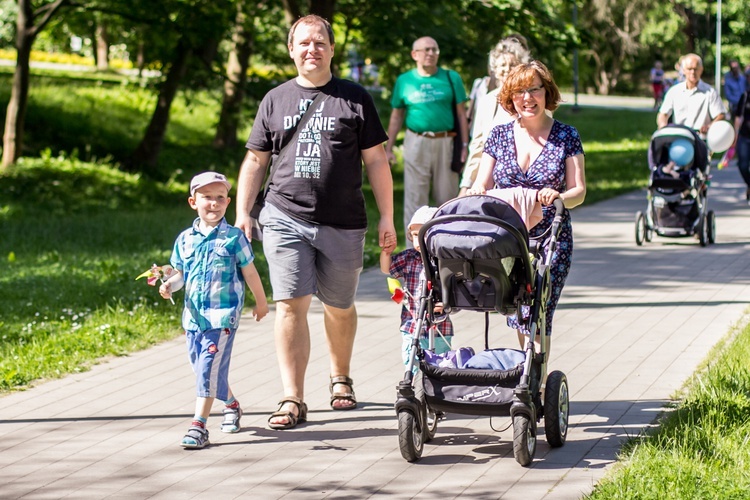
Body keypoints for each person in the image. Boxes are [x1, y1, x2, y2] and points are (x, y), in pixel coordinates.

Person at [233, 15, 396, 430]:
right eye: (303, 43)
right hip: (285, 215)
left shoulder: (355, 98)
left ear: (331, 49)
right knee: (290, 304)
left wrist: (388, 218)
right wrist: (242, 213)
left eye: (319, 42)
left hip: (343, 222)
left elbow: (376, 160)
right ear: (291, 50)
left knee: (339, 307)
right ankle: (292, 397)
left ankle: (340, 376)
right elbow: (256, 159)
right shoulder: (275, 99)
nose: (312, 49)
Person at [467, 60, 586, 358]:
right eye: (519, 91)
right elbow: (483, 183)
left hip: (551, 236)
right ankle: (528, 374)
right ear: (510, 97)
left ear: (547, 93)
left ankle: (537, 379)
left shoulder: (566, 136)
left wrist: (558, 195)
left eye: (535, 90)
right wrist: (476, 192)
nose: (527, 98)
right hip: (509, 236)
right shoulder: (499, 135)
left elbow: (579, 191)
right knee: (518, 309)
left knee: (538, 309)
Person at [159, 171, 269, 449]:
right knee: (205, 371)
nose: (214, 203)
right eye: (207, 197)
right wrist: (169, 285)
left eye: (220, 198)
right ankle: (231, 404)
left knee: (207, 368)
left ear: (228, 202)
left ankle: (199, 426)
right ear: (193, 202)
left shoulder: (234, 238)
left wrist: (261, 300)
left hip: (222, 316)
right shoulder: (185, 239)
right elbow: (180, 273)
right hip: (193, 318)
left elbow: (250, 272)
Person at [385, 36, 469, 245]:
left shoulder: (451, 78)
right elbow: (396, 116)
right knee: (415, 198)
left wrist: (466, 146)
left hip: (446, 141)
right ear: (415, 55)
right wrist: (388, 148)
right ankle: (413, 250)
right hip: (416, 141)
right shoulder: (405, 80)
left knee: (448, 197)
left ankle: (449, 247)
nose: (431, 53)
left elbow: (461, 114)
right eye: (426, 50)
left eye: (434, 49)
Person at [380, 206, 453, 367]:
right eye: (414, 235)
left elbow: (457, 292)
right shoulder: (409, 258)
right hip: (411, 326)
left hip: (441, 328)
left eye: (424, 235)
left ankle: (437, 390)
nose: (418, 240)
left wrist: (447, 305)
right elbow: (387, 269)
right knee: (411, 362)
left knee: (441, 366)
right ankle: (413, 386)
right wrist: (386, 252)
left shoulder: (446, 263)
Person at [459, 37, 531, 196]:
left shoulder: (530, 99)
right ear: (494, 69)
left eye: (512, 65)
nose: (506, 69)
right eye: (502, 65)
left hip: (522, 181)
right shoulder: (486, 101)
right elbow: (477, 146)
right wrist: (466, 185)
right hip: (488, 180)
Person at [657, 53, 726, 139]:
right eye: (689, 69)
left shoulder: (710, 92)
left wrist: (709, 126)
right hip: (679, 139)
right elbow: (663, 114)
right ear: (683, 70)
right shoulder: (674, 91)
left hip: (701, 140)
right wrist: (663, 126)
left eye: (695, 69)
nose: (692, 72)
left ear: (701, 70)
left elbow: (721, 115)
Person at [731, 86, 750, 202]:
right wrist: (735, 135)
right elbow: (738, 117)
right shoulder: (746, 95)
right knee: (742, 165)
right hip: (744, 136)